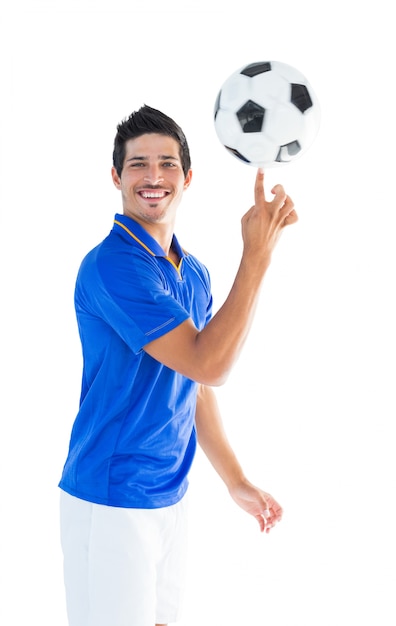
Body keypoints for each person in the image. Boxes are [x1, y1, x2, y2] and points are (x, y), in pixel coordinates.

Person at [59, 104, 297, 626]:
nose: (153, 176)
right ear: (116, 176)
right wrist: (257, 256)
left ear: (187, 178)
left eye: (167, 163)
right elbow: (209, 363)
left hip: (169, 492)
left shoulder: (192, 273)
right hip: (114, 494)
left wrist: (235, 479)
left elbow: (196, 386)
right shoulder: (113, 267)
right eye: (138, 163)